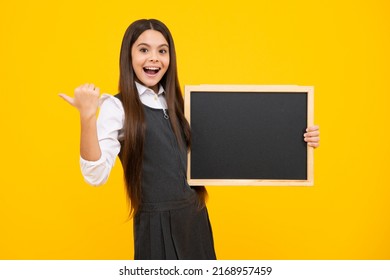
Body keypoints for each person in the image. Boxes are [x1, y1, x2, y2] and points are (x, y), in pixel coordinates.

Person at [59, 19, 320, 260]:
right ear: (128, 55)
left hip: (195, 220)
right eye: (143, 50)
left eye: (162, 51)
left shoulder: (182, 103)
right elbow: (95, 175)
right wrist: (88, 117)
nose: (154, 58)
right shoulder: (118, 108)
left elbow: (238, 142)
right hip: (156, 226)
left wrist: (297, 142)